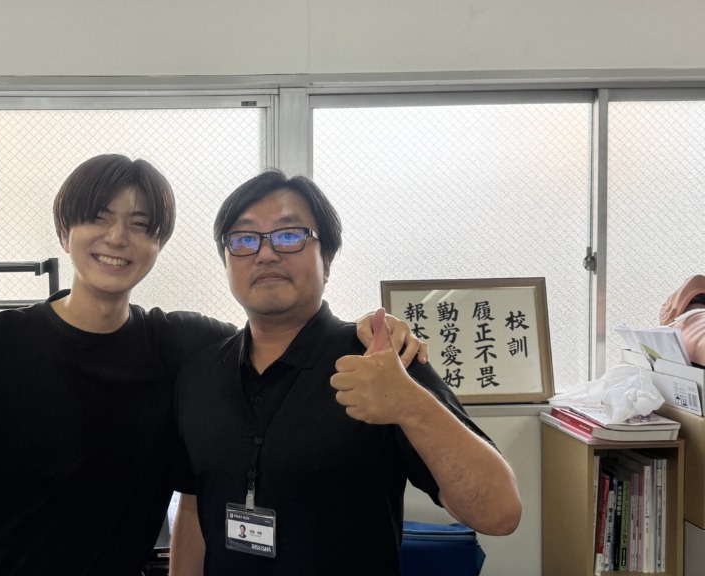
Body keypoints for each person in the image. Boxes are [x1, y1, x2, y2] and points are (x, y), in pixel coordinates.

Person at [0, 154, 426, 575]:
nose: (118, 238)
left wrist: (369, 331)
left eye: (141, 225)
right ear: (65, 231)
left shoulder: (180, 344)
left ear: (157, 244)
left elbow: (277, 333)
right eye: (99, 217)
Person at [169, 170, 522, 576]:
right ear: (227, 261)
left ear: (327, 260)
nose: (265, 254)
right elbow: (194, 505)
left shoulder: (380, 362)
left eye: (289, 235)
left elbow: (499, 513)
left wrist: (411, 405)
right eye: (244, 239)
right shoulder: (199, 375)